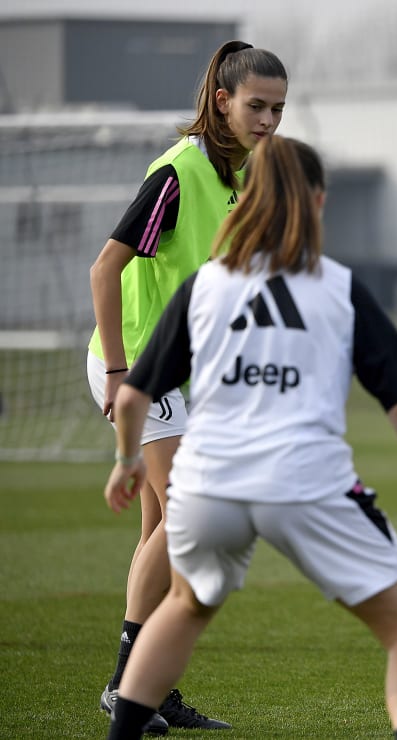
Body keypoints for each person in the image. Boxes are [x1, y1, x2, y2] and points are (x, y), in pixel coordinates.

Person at [102, 136, 397, 740]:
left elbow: (132, 395)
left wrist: (128, 459)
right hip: (306, 482)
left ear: (247, 201)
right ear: (318, 200)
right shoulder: (335, 286)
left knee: (183, 608)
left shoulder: (205, 285)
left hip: (208, 484)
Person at [86, 40, 287, 733]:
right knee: (187, 520)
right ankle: (125, 688)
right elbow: (104, 270)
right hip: (140, 365)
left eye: (278, 109)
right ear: (222, 101)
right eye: (256, 106)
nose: (268, 120)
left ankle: (150, 689)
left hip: (186, 372)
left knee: (163, 533)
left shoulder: (252, 173)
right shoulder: (177, 173)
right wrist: (117, 371)